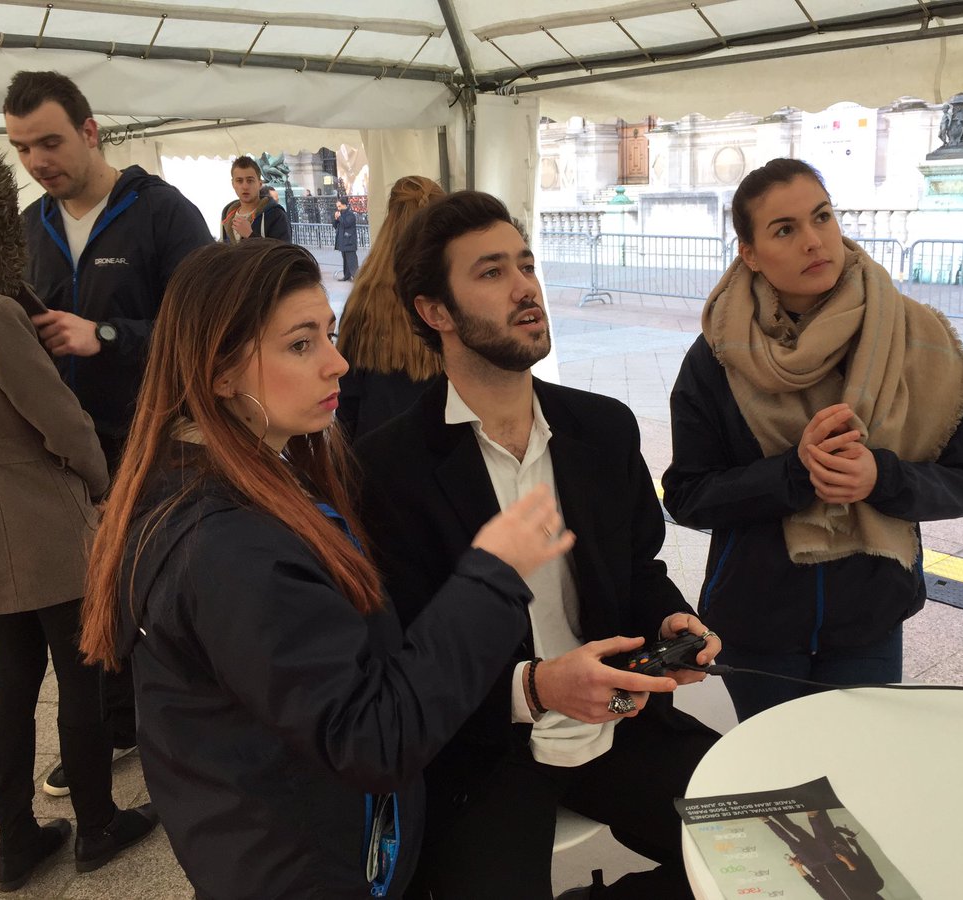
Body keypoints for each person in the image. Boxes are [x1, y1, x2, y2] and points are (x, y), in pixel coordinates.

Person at [77, 238, 571, 899]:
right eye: (301, 344)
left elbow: (334, 674)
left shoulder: (247, 482)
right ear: (219, 372)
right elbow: (370, 736)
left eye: (329, 334)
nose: (337, 363)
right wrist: (492, 572)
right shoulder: (228, 546)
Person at [354, 191, 721, 900]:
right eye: (491, 273)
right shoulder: (386, 469)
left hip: (622, 722)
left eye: (525, 264)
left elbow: (638, 568)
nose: (526, 286)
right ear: (435, 311)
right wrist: (535, 688)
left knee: (777, 847)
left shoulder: (603, 429)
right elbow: (402, 655)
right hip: (482, 748)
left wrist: (671, 619)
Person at [662, 158, 963, 722]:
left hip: (868, 619)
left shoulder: (918, 341)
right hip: (758, 619)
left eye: (822, 217)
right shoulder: (717, 358)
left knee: (859, 771)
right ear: (750, 253)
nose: (814, 241)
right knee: (776, 778)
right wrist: (794, 475)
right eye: (784, 230)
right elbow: (688, 495)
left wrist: (881, 478)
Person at [0, 145, 157, 893]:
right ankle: (97, 824)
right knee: (83, 669)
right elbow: (59, 420)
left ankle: (14, 842)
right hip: (39, 519)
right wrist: (102, 479)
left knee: (10, 675)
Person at [3, 68, 214, 798]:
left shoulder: (162, 215)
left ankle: (185, 723)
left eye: (50, 142)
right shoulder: (31, 229)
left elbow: (210, 330)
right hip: (71, 454)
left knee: (161, 589)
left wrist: (108, 333)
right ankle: (114, 726)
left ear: (91, 132)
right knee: (99, 591)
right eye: (22, 148)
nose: (37, 162)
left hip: (160, 441)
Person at [334, 175, 446, 439]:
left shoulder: (365, 294)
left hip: (375, 439)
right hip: (443, 440)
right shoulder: (454, 289)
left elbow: (347, 390)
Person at [220, 155, 291, 243]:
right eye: (239, 181)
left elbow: (283, 253)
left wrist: (250, 235)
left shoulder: (276, 215)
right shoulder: (227, 215)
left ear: (260, 184)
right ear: (233, 184)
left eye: (250, 181)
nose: (245, 186)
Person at [334, 196, 359, 281]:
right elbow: (335, 226)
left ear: (345, 205)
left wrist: (340, 217)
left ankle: (356, 277)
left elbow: (346, 224)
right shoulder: (341, 214)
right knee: (345, 260)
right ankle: (347, 275)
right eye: (337, 206)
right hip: (342, 241)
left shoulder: (350, 214)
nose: (338, 208)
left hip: (349, 241)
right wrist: (336, 219)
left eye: (339, 206)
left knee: (352, 260)